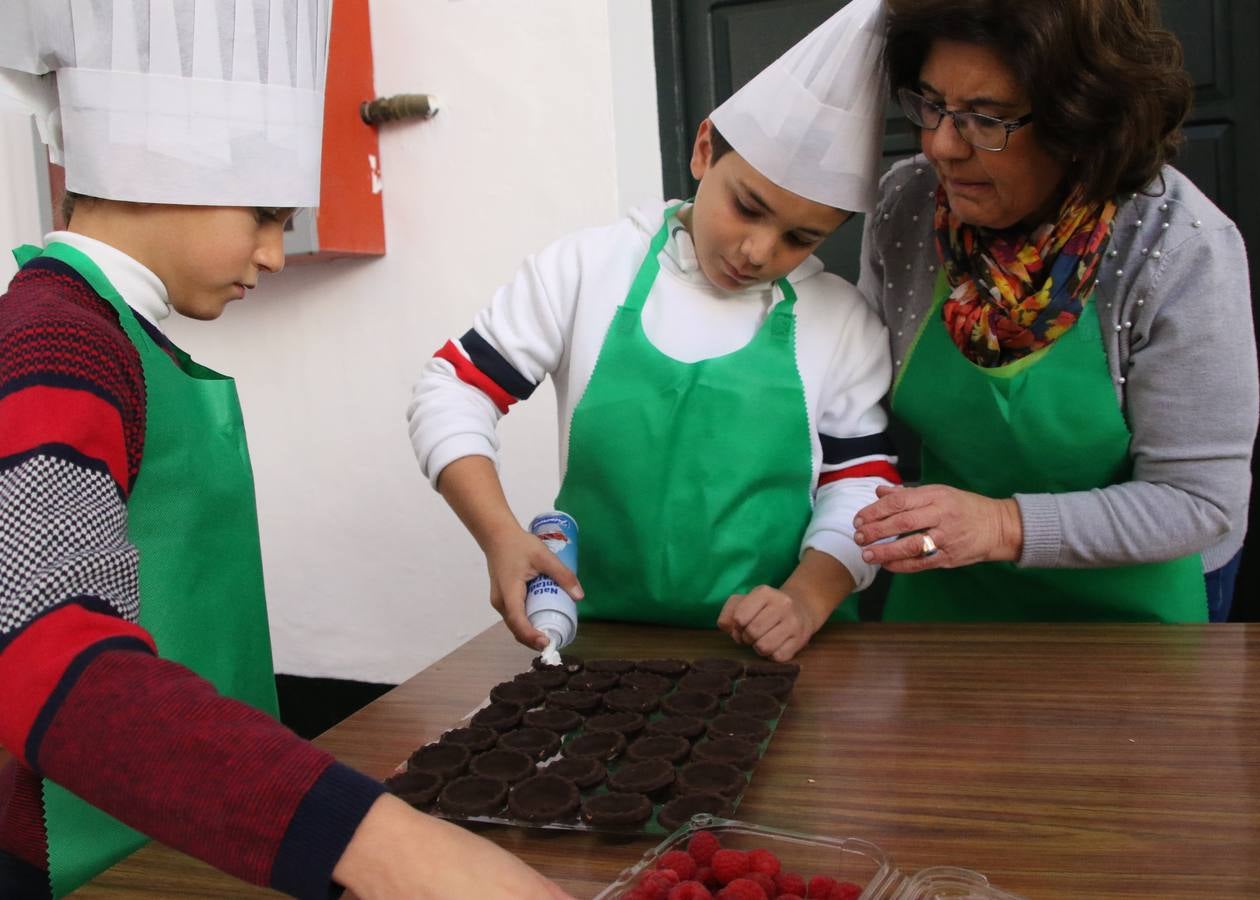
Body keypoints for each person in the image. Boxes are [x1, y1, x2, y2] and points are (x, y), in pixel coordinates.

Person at [0, 5, 572, 898]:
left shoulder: (113, 333)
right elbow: (45, 651)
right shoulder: (56, 344)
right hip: (78, 854)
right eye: (265, 214)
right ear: (158, 166)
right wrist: (397, 849)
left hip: (189, 827)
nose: (273, 253)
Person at [409, 0, 900, 663]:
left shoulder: (840, 322)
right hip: (597, 640)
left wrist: (808, 598)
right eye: (746, 207)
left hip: (782, 653)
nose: (758, 251)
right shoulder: (587, 269)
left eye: (799, 238)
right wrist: (497, 532)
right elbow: (452, 389)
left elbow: (862, 484)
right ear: (704, 150)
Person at [851, 0, 1259, 623]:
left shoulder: (1177, 246)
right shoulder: (906, 208)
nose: (939, 146)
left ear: (1083, 123)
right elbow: (848, 396)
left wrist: (1000, 524)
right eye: (931, 103)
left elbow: (1198, 503)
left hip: (1135, 608)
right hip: (951, 594)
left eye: (986, 119)